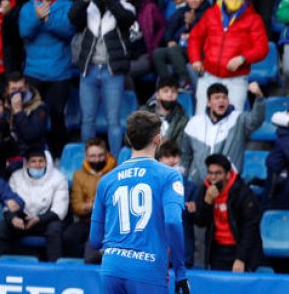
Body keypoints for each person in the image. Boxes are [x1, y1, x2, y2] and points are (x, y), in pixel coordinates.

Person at [88, 111, 186, 292]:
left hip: (112, 268)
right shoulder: (170, 175)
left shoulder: (107, 180)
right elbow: (173, 222)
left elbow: (95, 240)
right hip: (148, 268)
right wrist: (180, 272)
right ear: (158, 139)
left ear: (128, 139)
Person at [70, 0, 139, 151]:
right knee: (87, 120)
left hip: (112, 72)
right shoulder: (89, 7)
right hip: (89, 69)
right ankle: (89, 159)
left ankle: (115, 162)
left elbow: (126, 19)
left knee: (113, 121)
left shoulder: (126, 6)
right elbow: (72, 17)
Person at [186, 0, 269, 113]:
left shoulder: (254, 19)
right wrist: (195, 59)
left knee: (233, 122)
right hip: (209, 76)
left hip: (236, 79)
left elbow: (262, 48)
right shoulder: (211, 14)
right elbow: (195, 37)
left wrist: (243, 58)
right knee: (202, 118)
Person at [18, 0, 74, 155]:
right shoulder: (27, 7)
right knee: (33, 117)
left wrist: (47, 20)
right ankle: (32, 156)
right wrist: (37, 18)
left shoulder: (67, 5)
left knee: (58, 116)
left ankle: (58, 157)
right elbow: (24, 32)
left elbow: (68, 31)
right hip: (33, 71)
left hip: (59, 72)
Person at [179, 82, 266, 184]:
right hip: (198, 184)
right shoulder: (194, 122)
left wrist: (259, 97)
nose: (221, 100)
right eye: (217, 97)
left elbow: (256, 120)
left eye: (224, 97)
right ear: (208, 103)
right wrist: (183, 177)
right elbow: (185, 155)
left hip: (228, 183)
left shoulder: (238, 119)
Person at [194, 152, 262, 272]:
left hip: (238, 248)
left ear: (227, 174)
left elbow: (250, 228)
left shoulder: (242, 193)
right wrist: (207, 203)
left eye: (218, 173)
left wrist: (241, 258)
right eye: (210, 173)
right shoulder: (205, 190)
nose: (213, 177)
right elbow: (200, 222)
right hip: (217, 250)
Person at [0, 148, 67, 261]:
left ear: (46, 162)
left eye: (41, 161)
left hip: (45, 220)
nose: (37, 165)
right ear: (27, 164)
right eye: (33, 161)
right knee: (2, 228)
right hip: (23, 219)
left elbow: (60, 210)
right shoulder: (16, 177)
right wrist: (13, 218)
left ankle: (54, 269)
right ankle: (0, 267)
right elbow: (9, 204)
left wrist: (38, 219)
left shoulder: (59, 178)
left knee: (55, 229)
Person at [62, 138, 115, 260]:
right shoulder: (78, 175)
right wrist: (88, 206)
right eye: (92, 156)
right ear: (86, 156)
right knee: (69, 236)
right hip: (87, 219)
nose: (96, 160)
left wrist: (100, 205)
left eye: (100, 155)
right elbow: (77, 205)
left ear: (107, 154)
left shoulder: (116, 172)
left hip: (110, 222)